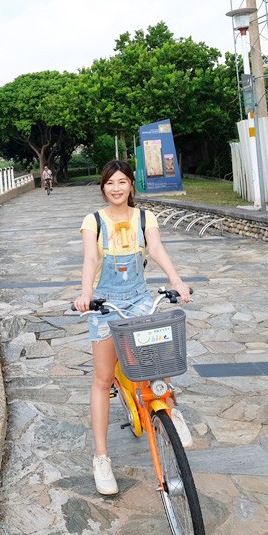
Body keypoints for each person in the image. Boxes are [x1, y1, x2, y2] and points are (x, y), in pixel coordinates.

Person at [74, 159, 193, 495]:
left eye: (122, 182)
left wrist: (177, 281)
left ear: (131, 185)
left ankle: (170, 408)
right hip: (105, 302)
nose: (116, 188)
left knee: (157, 359)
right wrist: (86, 295)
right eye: (110, 182)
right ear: (103, 187)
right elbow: (90, 260)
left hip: (139, 297)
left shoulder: (144, 217)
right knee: (102, 379)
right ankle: (101, 457)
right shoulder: (93, 221)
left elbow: (155, 249)